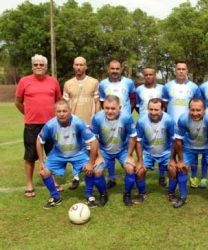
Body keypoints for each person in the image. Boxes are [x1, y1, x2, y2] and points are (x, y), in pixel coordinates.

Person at [36, 100, 98, 209]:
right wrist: (41, 161)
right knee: (44, 172)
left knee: (90, 169)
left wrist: (91, 162)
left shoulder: (78, 122)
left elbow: (93, 140)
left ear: (70, 111)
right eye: (59, 111)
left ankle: (89, 196)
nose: (61, 113)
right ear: (55, 112)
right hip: (58, 154)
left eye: (64, 111)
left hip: (78, 153)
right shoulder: (50, 125)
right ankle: (55, 198)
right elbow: (39, 140)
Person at [15, 54, 61, 198]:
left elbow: (58, 102)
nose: (39, 67)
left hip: (50, 125)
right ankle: (29, 184)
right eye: (36, 64)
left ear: (46, 67)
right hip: (31, 125)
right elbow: (17, 102)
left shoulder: (53, 82)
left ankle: (52, 180)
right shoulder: (24, 81)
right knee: (30, 156)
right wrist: (28, 114)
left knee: (52, 154)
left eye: (41, 64)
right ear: (32, 66)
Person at [170, 98, 208, 210]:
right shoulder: (183, 119)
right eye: (192, 110)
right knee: (182, 168)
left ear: (204, 109)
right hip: (189, 147)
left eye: (198, 110)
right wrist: (180, 161)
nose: (195, 113)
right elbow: (178, 141)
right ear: (189, 109)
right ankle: (183, 197)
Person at [89, 95, 139, 206]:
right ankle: (103, 195)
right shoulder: (97, 118)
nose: (109, 111)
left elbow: (133, 136)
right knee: (97, 171)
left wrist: (130, 155)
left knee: (130, 168)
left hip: (122, 150)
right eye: (107, 108)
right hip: (104, 151)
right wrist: (99, 156)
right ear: (103, 107)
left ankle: (127, 194)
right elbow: (93, 138)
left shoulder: (126, 117)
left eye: (113, 108)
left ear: (120, 108)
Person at [63, 56, 100, 190]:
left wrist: (96, 120)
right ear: (73, 66)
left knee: (92, 150)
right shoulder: (68, 84)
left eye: (81, 65)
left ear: (85, 66)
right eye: (76, 64)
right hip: (73, 123)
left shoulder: (94, 82)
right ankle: (76, 177)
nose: (79, 67)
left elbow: (96, 101)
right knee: (75, 150)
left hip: (89, 123)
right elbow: (65, 104)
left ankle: (94, 174)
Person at [98, 59, 136, 188]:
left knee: (124, 146)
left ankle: (130, 172)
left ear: (121, 69)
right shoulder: (103, 84)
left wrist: (126, 113)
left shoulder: (129, 82)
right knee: (109, 146)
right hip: (108, 120)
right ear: (108, 69)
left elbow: (132, 99)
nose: (115, 71)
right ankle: (112, 177)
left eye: (117, 68)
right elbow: (102, 102)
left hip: (124, 122)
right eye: (112, 68)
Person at [135, 98, 175, 198]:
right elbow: (138, 141)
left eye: (156, 110)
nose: (153, 112)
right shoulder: (141, 121)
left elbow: (175, 141)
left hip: (166, 152)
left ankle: (171, 194)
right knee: (139, 171)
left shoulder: (169, 120)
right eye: (151, 109)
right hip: (148, 153)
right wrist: (140, 160)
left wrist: (172, 159)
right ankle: (142, 194)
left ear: (162, 109)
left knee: (173, 169)